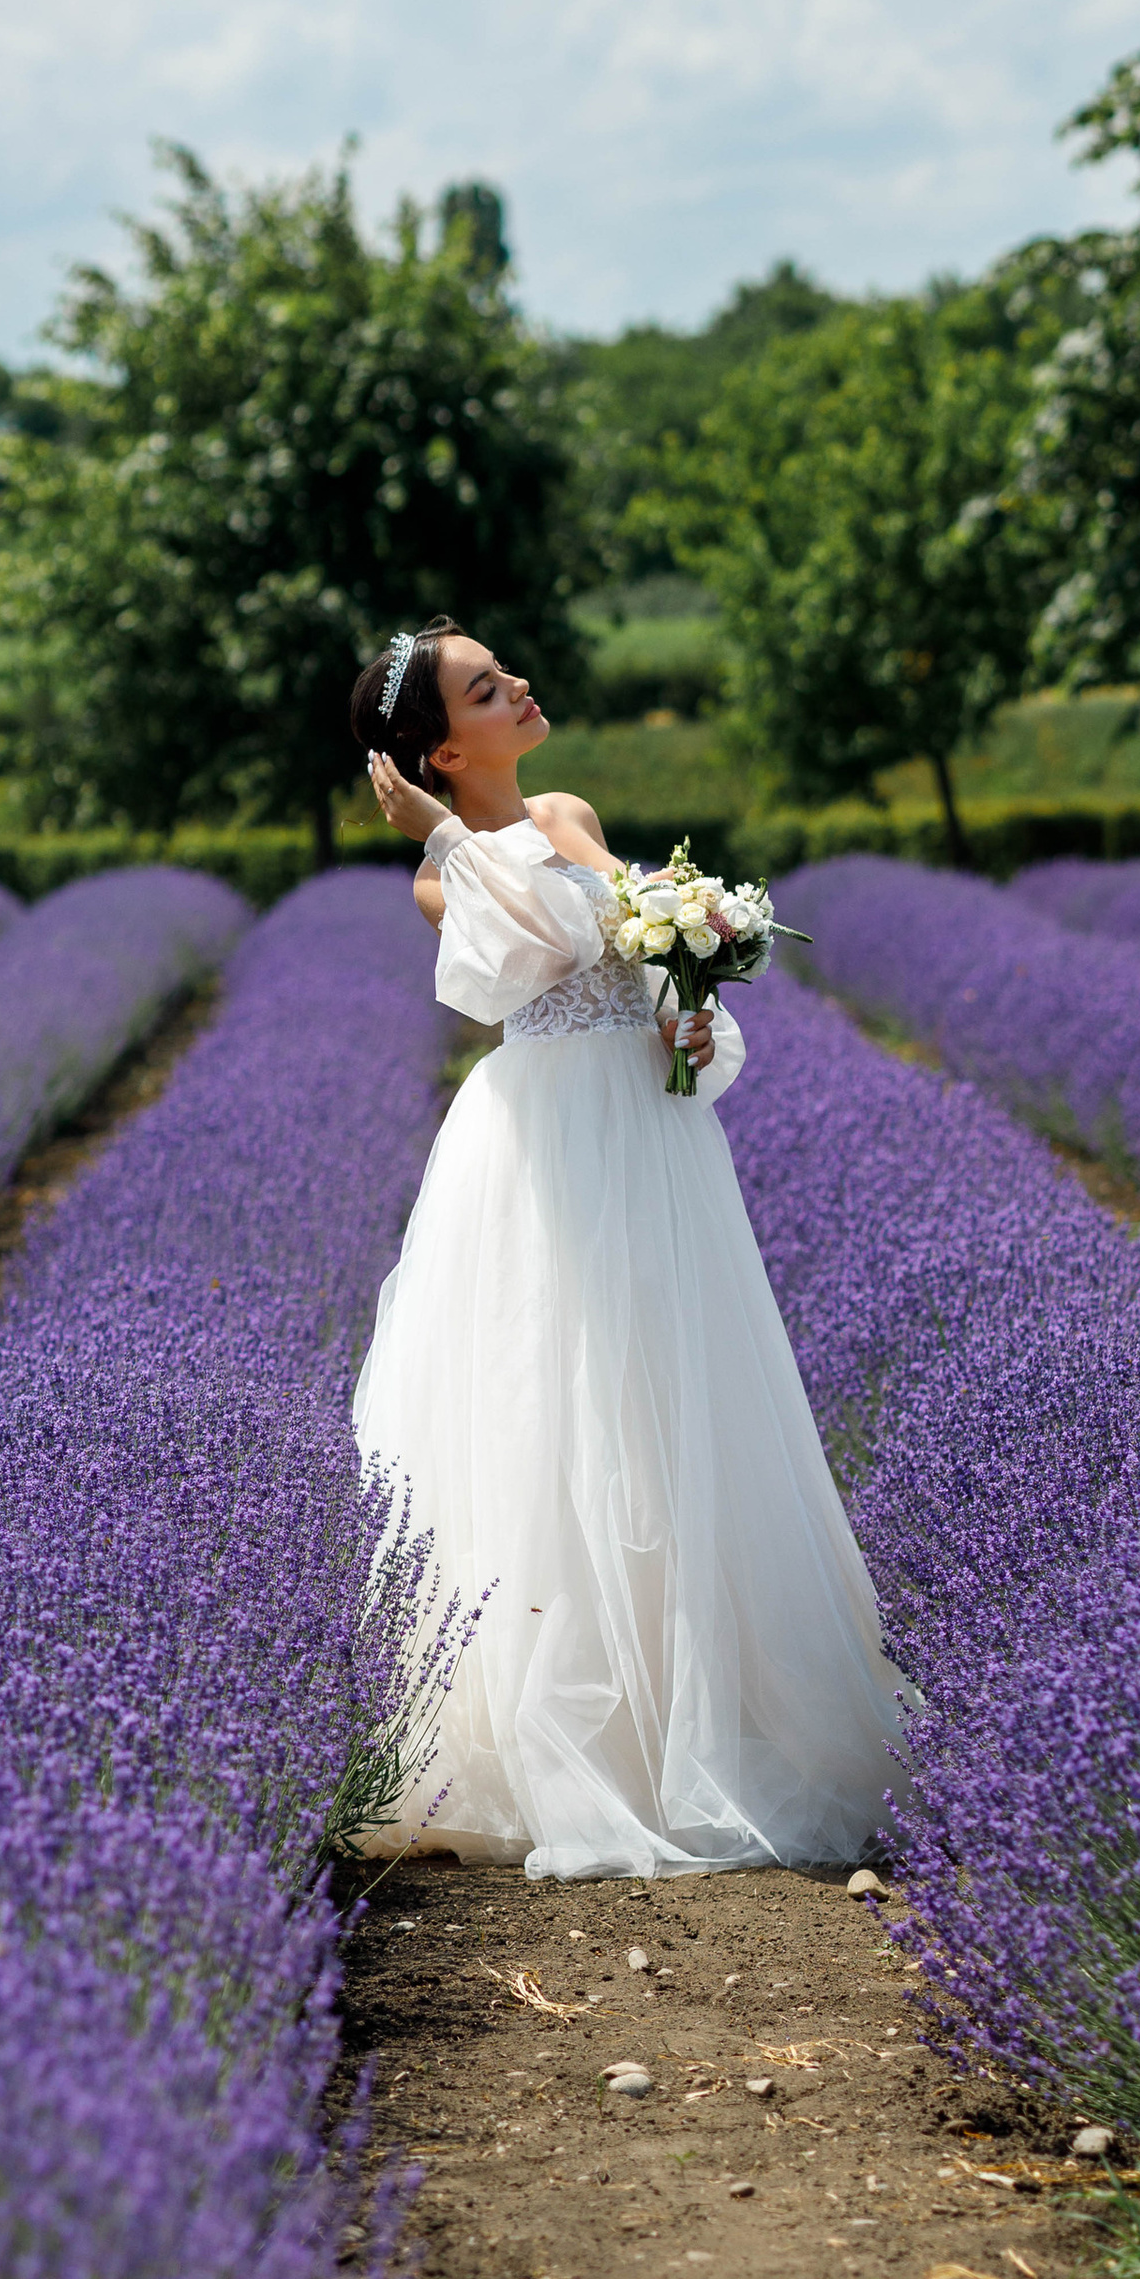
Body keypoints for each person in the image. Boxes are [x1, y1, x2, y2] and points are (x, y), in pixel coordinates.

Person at [347, 613, 911, 1881]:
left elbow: (627, 941)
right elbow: (520, 962)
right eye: (487, 689)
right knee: (564, 1397)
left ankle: (707, 1709)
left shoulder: (567, 806)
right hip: (546, 1141)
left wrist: (689, 1015)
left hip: (646, 1135)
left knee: (671, 1387)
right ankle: (581, 1735)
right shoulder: (440, 870)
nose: (520, 688)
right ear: (440, 752)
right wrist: (443, 839)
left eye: (505, 673)